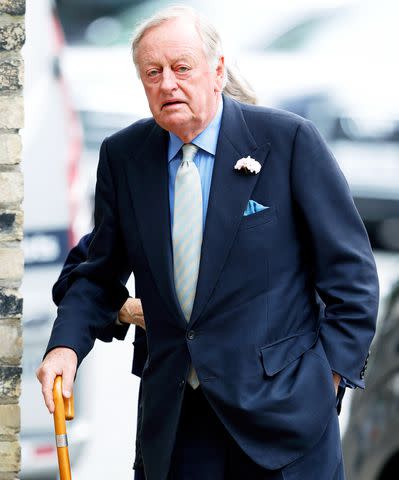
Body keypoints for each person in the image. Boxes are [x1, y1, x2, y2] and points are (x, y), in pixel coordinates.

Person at [36, 6, 379, 480]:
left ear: (217, 70)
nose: (167, 84)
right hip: (177, 424)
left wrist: (328, 381)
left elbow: (353, 277)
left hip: (284, 419)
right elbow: (96, 273)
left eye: (181, 68)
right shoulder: (124, 157)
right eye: (152, 72)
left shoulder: (288, 140)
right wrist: (64, 349)